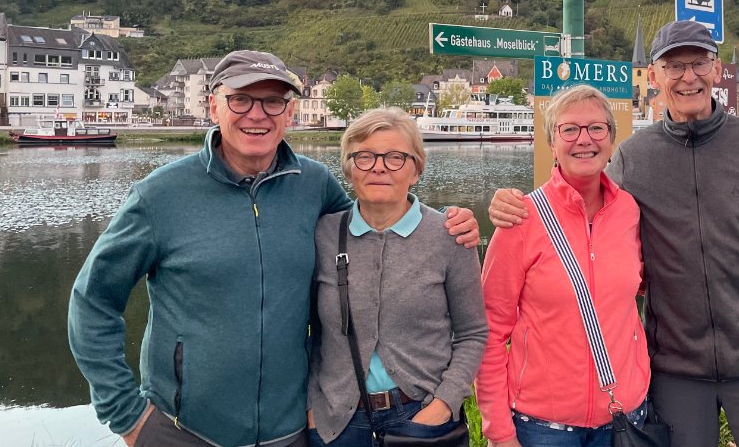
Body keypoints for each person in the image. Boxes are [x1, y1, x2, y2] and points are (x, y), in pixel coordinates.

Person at [68, 50, 479, 447]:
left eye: (272, 101)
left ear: (289, 113)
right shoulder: (160, 195)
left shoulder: (313, 185)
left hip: (292, 431)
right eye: (241, 99)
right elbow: (93, 303)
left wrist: (446, 223)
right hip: (186, 431)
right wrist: (127, 416)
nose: (257, 114)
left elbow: (375, 220)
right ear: (214, 107)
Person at [490, 21, 739, 447]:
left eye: (699, 63)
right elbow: (581, 209)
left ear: (716, 69)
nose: (688, 77)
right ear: (654, 76)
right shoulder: (633, 159)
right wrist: (510, 203)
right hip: (675, 375)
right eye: (674, 66)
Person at [476, 85, 651, 447]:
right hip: (543, 428)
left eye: (596, 128)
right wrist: (499, 432)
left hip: (624, 417)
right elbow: (489, 333)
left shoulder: (630, 212)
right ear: (551, 144)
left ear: (611, 140)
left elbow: (638, 288)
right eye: (569, 129)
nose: (584, 139)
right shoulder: (520, 218)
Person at [307, 107, 488, 445]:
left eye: (395, 157)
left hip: (421, 417)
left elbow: (472, 333)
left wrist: (444, 403)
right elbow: (312, 333)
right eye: (364, 157)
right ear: (348, 169)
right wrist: (311, 409)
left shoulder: (450, 235)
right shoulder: (324, 235)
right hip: (337, 424)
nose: (379, 167)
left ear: (415, 170)